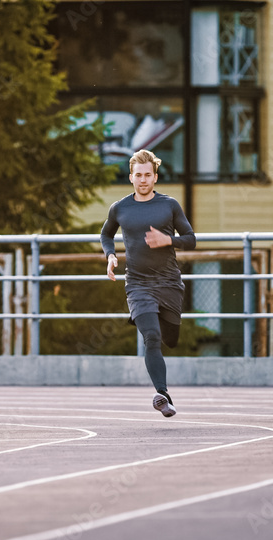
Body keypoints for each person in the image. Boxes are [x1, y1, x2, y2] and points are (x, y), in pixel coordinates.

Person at [100, 149, 196, 417]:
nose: (143, 180)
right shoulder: (119, 208)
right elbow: (106, 234)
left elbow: (191, 238)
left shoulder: (169, 205)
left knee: (170, 338)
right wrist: (110, 256)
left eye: (148, 175)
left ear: (155, 177)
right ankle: (162, 394)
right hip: (138, 284)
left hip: (168, 282)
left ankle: (166, 339)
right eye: (138, 175)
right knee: (151, 337)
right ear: (131, 177)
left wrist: (169, 240)